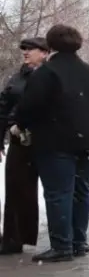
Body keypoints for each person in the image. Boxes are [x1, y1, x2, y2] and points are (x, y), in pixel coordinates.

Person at [16, 24, 89, 262]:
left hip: (56, 141)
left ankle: (62, 246)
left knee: (58, 193)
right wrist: (86, 105)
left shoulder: (47, 72)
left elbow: (29, 106)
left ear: (50, 45)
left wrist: (22, 123)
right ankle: (79, 242)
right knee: (81, 191)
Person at [0, 37, 49, 255]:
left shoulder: (51, 75)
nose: (26, 52)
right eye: (24, 49)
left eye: (31, 49)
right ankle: (13, 239)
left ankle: (63, 241)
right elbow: (3, 108)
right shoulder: (17, 77)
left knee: (55, 191)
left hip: (46, 139)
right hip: (19, 139)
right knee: (15, 188)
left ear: (44, 52)